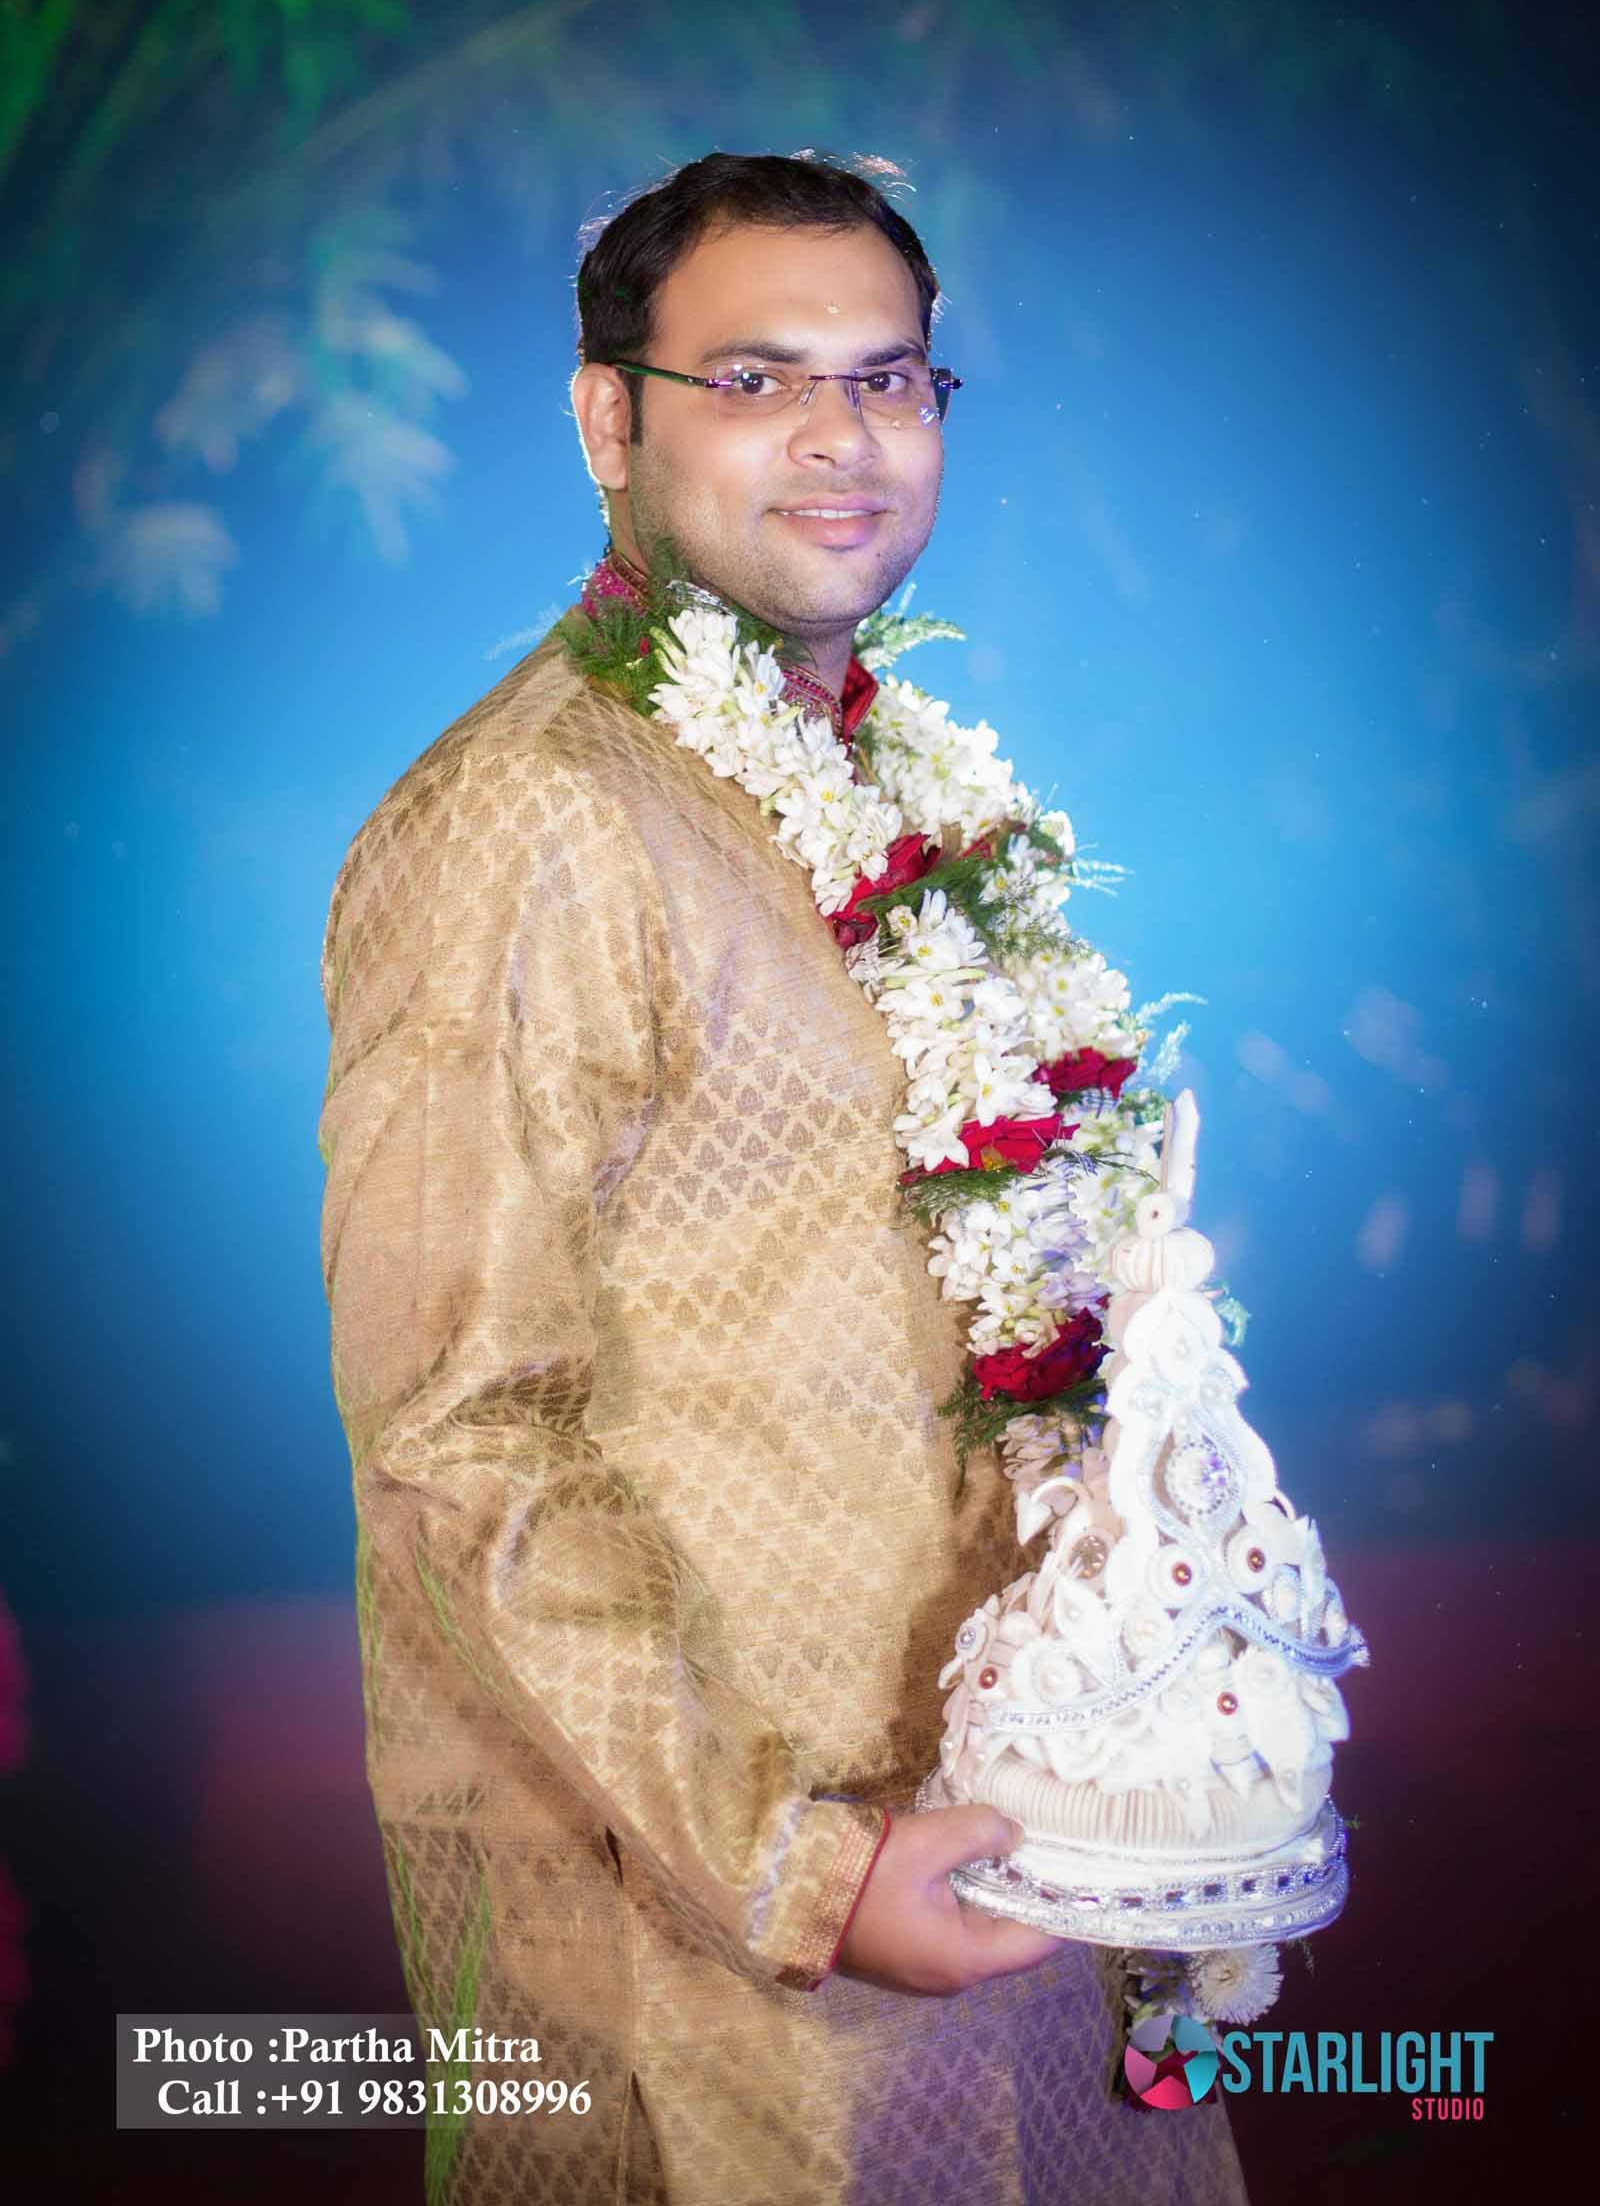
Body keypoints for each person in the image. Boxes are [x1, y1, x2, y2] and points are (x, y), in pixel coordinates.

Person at [318, 150, 1248, 2204]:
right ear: (609, 418)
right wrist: (802, 1869)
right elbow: (459, 1433)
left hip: (1027, 1820)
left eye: (888, 379)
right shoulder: (531, 820)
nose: (842, 437)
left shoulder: (886, 776)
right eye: (754, 379)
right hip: (726, 1911)